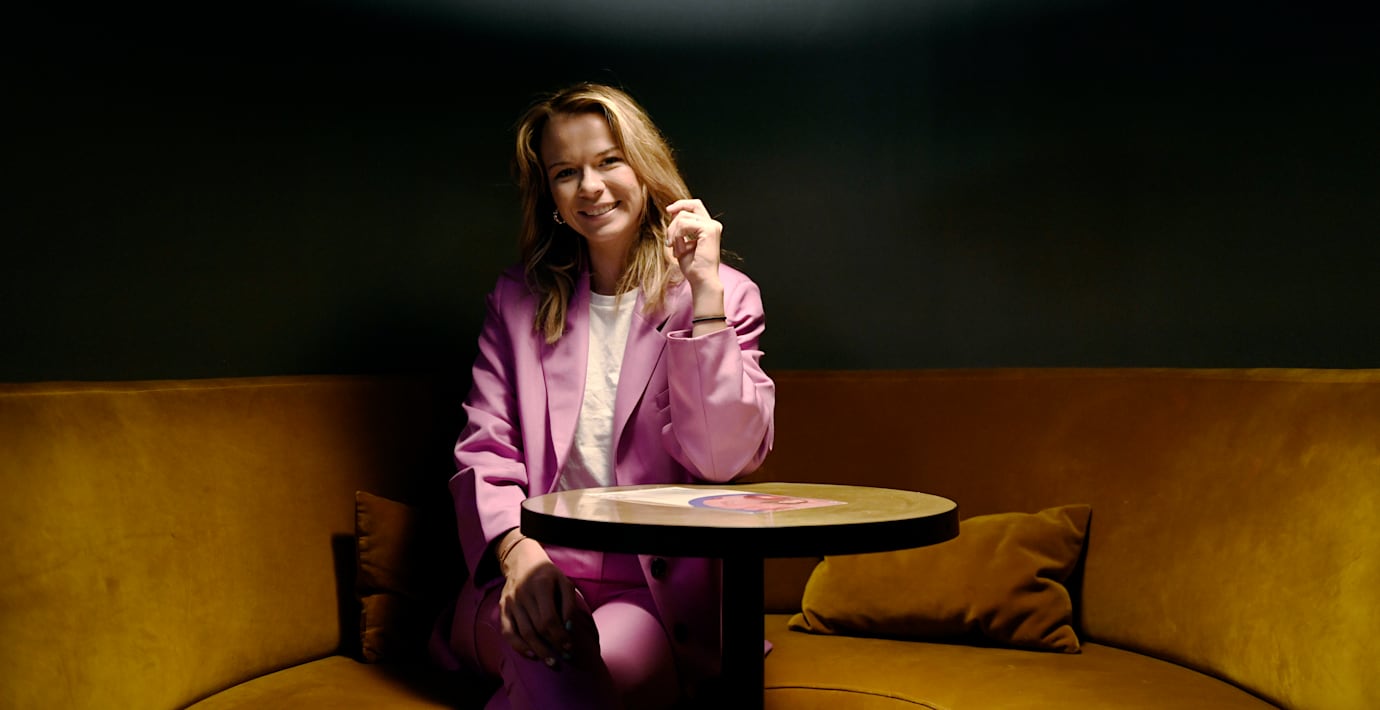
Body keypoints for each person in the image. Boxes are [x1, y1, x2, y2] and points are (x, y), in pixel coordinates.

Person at [430, 82, 776, 709]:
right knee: (546, 647)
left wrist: (704, 296)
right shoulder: (516, 300)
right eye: (566, 172)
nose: (589, 186)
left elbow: (722, 459)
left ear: (644, 168)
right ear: (551, 196)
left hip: (645, 594)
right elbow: (485, 449)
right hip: (525, 569)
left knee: (561, 668)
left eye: (609, 161)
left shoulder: (724, 294)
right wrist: (520, 556)